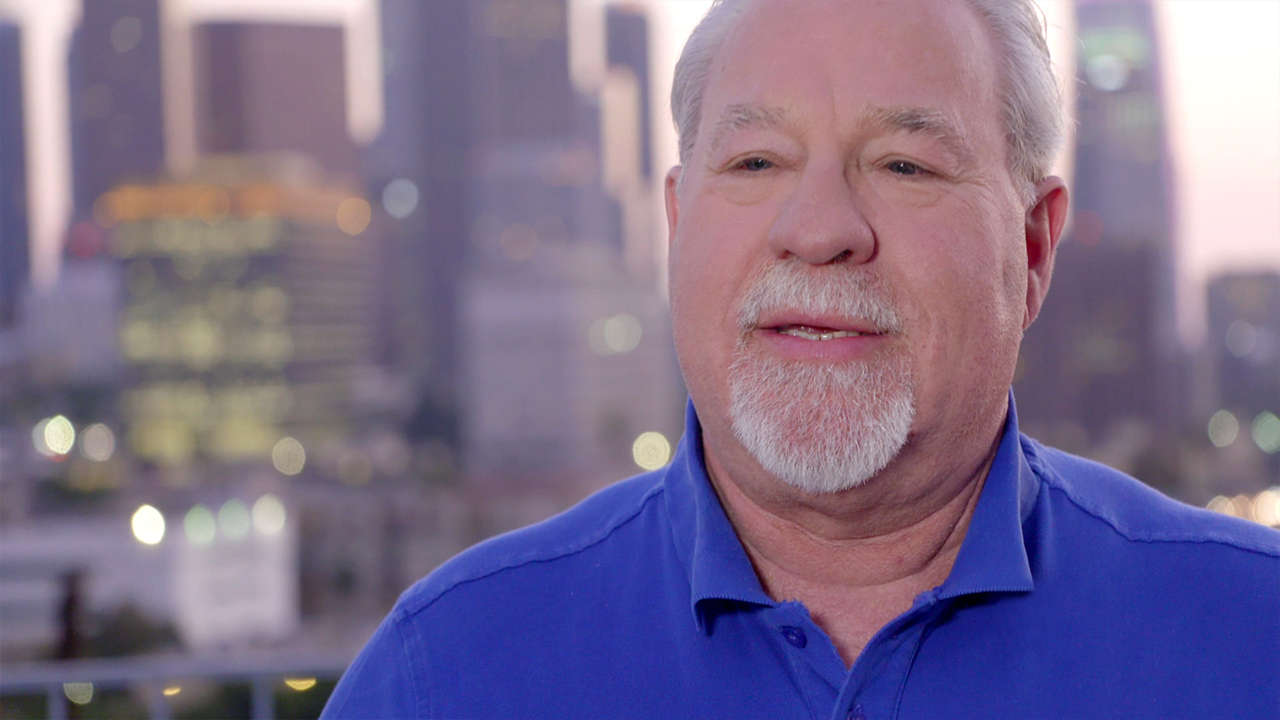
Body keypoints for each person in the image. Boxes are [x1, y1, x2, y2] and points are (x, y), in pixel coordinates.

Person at [322, 0, 1280, 717]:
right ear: (677, 224)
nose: (818, 230)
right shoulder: (445, 673)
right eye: (755, 163)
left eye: (904, 165)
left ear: (1032, 247)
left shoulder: (1255, 636)